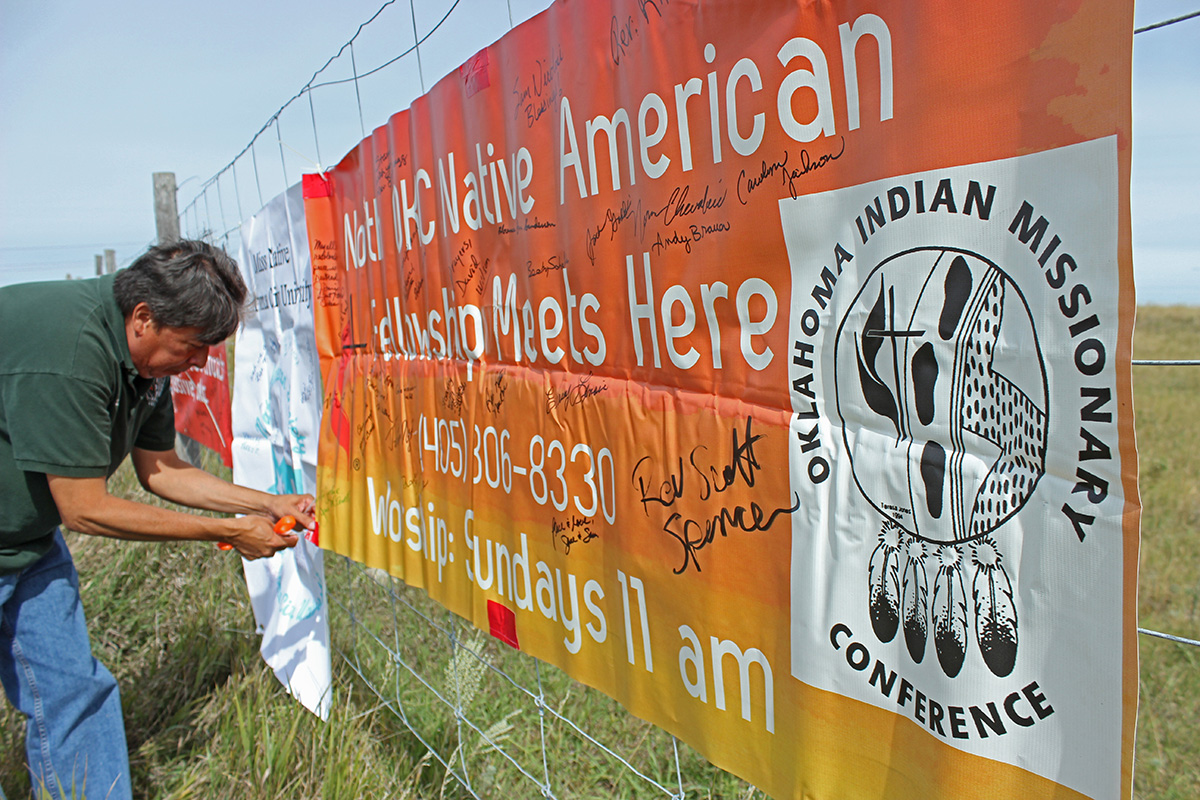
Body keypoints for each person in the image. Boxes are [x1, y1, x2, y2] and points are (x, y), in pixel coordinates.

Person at [0, 240, 313, 799]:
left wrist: (265, 504)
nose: (199, 364)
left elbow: (163, 470)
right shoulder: (71, 352)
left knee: (75, 690)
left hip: (24, 544)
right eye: (194, 348)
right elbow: (85, 509)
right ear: (144, 318)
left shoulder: (143, 358)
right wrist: (227, 531)